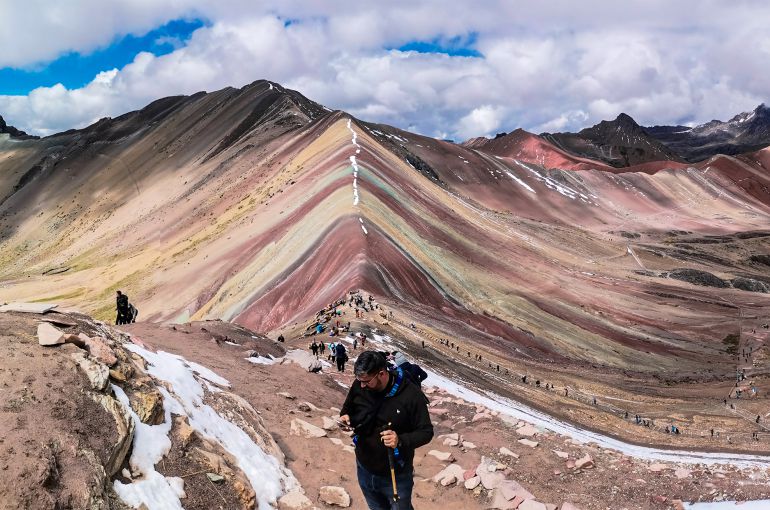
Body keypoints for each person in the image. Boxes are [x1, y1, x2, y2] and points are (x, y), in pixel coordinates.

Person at [340, 351, 433, 510]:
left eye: (367, 381)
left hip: (396, 475)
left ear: (381, 374)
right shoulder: (359, 385)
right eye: (359, 381)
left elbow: (426, 432)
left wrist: (400, 440)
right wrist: (345, 417)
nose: (362, 386)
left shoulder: (411, 395)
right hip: (364, 467)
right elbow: (347, 408)